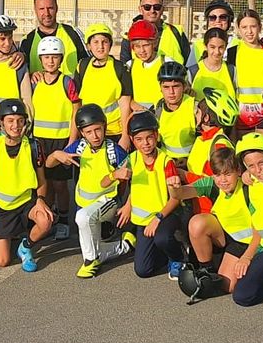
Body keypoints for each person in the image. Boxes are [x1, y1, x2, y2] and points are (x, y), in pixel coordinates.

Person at [180, 137, 263, 311]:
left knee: (239, 292)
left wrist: (247, 257)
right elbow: (182, 193)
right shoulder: (216, 183)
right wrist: (173, 186)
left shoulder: (251, 185)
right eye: (218, 174)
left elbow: (258, 228)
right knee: (228, 286)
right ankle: (207, 269)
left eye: (228, 174)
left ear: (238, 171)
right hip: (237, 241)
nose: (222, 180)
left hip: (258, 244)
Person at [46, 103, 130, 278]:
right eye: (89, 132)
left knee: (82, 218)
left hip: (108, 203)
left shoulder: (115, 151)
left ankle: (90, 262)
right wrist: (56, 155)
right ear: (82, 133)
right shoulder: (79, 147)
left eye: (98, 129)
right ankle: (125, 245)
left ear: (104, 127)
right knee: (91, 238)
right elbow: (48, 164)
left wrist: (125, 203)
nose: (95, 135)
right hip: (84, 203)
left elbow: (130, 180)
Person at [112, 110, 187, 279]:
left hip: (166, 215)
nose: (145, 143)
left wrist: (158, 218)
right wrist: (114, 177)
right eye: (139, 139)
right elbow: (104, 182)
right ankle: (163, 253)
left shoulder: (166, 161)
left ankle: (178, 257)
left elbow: (176, 198)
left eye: (149, 137)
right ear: (132, 140)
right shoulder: (132, 159)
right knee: (143, 271)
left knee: (163, 239)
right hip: (143, 221)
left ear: (156, 135)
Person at [0, 99, 53, 272]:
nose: (16, 125)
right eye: (10, 121)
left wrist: (41, 200)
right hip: (3, 208)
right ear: (1, 123)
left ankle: (25, 246)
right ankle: (4, 237)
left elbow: (42, 180)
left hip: (26, 202)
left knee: (45, 221)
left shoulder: (34, 146)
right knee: (2, 261)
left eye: (20, 120)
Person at [22, 35, 79, 231]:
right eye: (46, 57)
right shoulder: (35, 81)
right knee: (42, 183)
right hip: (39, 141)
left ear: (61, 58)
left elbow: (75, 112)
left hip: (61, 140)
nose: (50, 61)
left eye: (55, 57)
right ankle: (48, 216)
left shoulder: (67, 82)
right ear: (40, 59)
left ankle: (63, 219)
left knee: (60, 185)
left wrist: (72, 141)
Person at [75, 23, 130, 138]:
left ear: (110, 44)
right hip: (89, 131)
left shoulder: (119, 68)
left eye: (104, 42)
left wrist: (125, 137)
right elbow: (77, 104)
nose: (100, 46)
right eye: (95, 42)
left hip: (114, 132)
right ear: (89, 46)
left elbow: (125, 106)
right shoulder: (82, 66)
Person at [117, 0, 191, 65]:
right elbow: (124, 68)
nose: (152, 11)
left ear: (162, 9)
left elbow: (188, 62)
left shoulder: (176, 32)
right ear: (140, 9)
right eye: (147, 7)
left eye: (157, 7)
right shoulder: (129, 37)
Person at [20, 0, 84, 76]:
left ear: (57, 8)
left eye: (50, 8)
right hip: (40, 89)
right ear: (35, 10)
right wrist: (31, 75)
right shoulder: (27, 41)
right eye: (42, 9)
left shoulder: (73, 33)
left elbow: (89, 64)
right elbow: (21, 74)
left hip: (70, 88)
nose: (47, 13)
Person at [229, 10, 263, 120]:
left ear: (260, 27)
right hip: (240, 111)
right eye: (244, 27)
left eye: (253, 26)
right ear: (238, 29)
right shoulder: (232, 52)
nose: (249, 31)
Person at [153, 63, 199, 162]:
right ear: (160, 87)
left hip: (191, 162)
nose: (171, 92)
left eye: (176, 86)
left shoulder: (194, 107)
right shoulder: (158, 107)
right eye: (166, 87)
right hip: (166, 162)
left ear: (184, 86)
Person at [123, 19, 167, 114]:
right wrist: (132, 103)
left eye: (146, 45)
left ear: (155, 43)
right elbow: (124, 95)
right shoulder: (130, 66)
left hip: (162, 116)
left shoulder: (166, 63)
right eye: (137, 46)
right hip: (139, 117)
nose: (142, 50)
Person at [191, 28, 236, 106]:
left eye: (221, 47)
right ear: (205, 46)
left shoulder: (232, 71)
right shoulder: (192, 71)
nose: (217, 52)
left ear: (226, 47)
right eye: (212, 47)